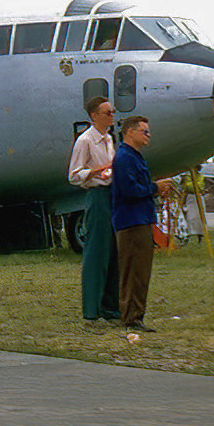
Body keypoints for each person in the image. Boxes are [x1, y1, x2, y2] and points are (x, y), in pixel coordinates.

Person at [110, 115, 171, 332]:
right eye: (144, 131)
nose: (148, 135)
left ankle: (135, 316)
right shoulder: (125, 158)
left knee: (141, 271)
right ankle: (132, 318)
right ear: (130, 132)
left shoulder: (134, 156)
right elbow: (130, 190)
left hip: (140, 219)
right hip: (131, 222)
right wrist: (155, 187)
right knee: (135, 271)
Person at [67, 95, 122, 324]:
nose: (112, 115)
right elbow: (73, 175)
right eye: (107, 112)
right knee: (96, 254)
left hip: (112, 196)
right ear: (94, 116)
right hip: (97, 196)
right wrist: (95, 171)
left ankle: (111, 307)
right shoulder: (85, 140)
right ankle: (92, 310)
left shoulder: (109, 139)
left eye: (112, 111)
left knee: (113, 254)